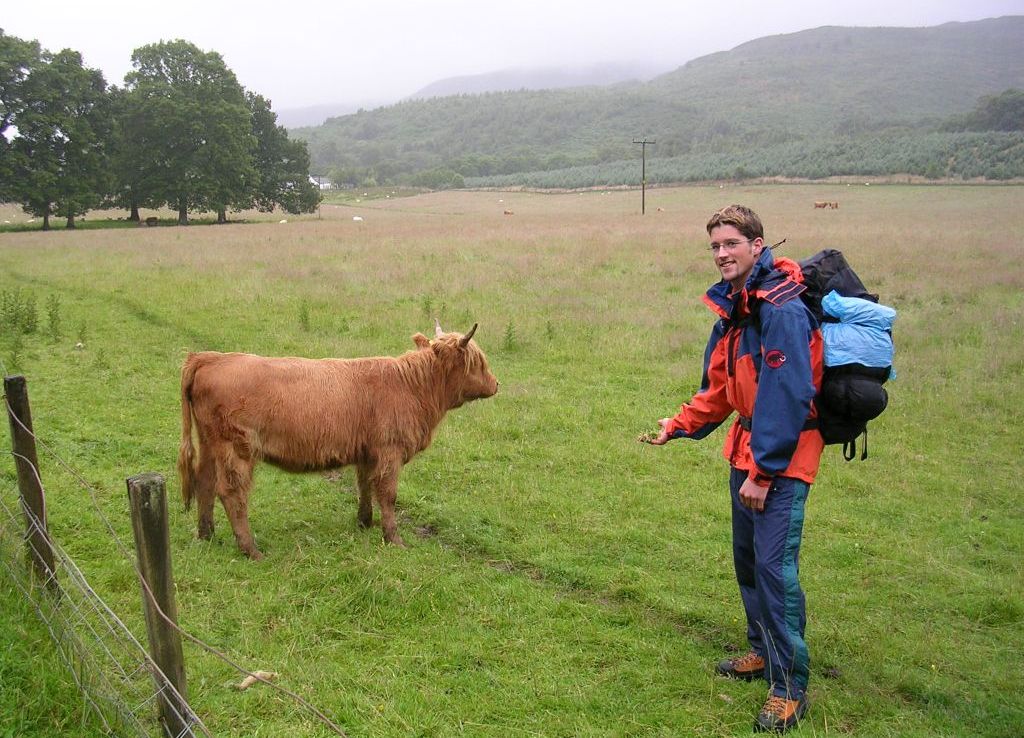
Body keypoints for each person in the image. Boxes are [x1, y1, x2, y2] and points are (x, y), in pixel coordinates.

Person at [643, 205, 824, 733]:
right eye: (715, 246)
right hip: (746, 451)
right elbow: (722, 388)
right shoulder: (737, 308)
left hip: (781, 460)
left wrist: (764, 473)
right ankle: (763, 652)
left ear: (757, 244)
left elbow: (788, 395)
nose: (722, 254)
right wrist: (677, 425)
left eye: (731, 244)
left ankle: (789, 687)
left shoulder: (782, 309)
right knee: (748, 564)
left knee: (773, 569)